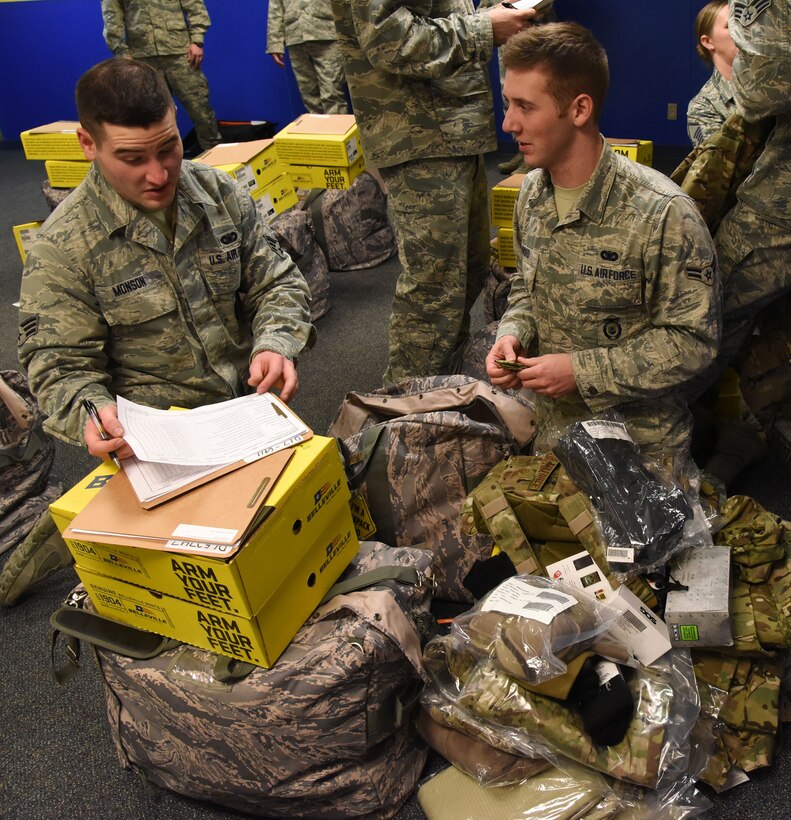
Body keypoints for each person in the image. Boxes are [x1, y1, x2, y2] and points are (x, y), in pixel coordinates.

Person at [17, 58, 314, 465]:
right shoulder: (62, 247)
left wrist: (275, 343)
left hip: (250, 411)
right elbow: (59, 364)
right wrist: (92, 411)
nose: (159, 175)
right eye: (133, 159)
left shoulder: (218, 193)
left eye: (168, 148)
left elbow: (276, 282)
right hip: (155, 444)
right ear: (88, 144)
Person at [486, 23, 721, 462]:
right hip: (553, 435)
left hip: (638, 450)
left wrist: (581, 371)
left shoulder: (663, 212)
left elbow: (694, 342)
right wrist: (513, 332)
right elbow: (526, 286)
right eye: (507, 104)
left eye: (525, 106)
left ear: (578, 109)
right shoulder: (532, 195)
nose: (508, 122)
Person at [331, 0, 539, 386]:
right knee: (434, 291)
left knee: (465, 273)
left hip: (454, 128)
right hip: (420, 131)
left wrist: (494, 15)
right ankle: (404, 414)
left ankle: (440, 392)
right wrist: (484, 28)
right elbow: (388, 38)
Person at [101, 0, 222, 151]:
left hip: (179, 53)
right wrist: (121, 51)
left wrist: (197, 40)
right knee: (154, 116)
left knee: (201, 110)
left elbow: (194, 5)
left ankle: (216, 155)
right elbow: (112, 16)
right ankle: (167, 159)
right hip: (142, 56)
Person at [267, 0, 349, 114]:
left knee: (332, 94)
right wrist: (275, 43)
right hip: (295, 36)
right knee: (309, 97)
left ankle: (336, 130)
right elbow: (275, 7)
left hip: (326, 34)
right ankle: (318, 130)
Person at [687, 0, 737, 146]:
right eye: (730, 26)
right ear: (708, 41)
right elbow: (716, 165)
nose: (744, 33)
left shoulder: (777, 82)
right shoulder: (702, 108)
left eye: (745, 26)